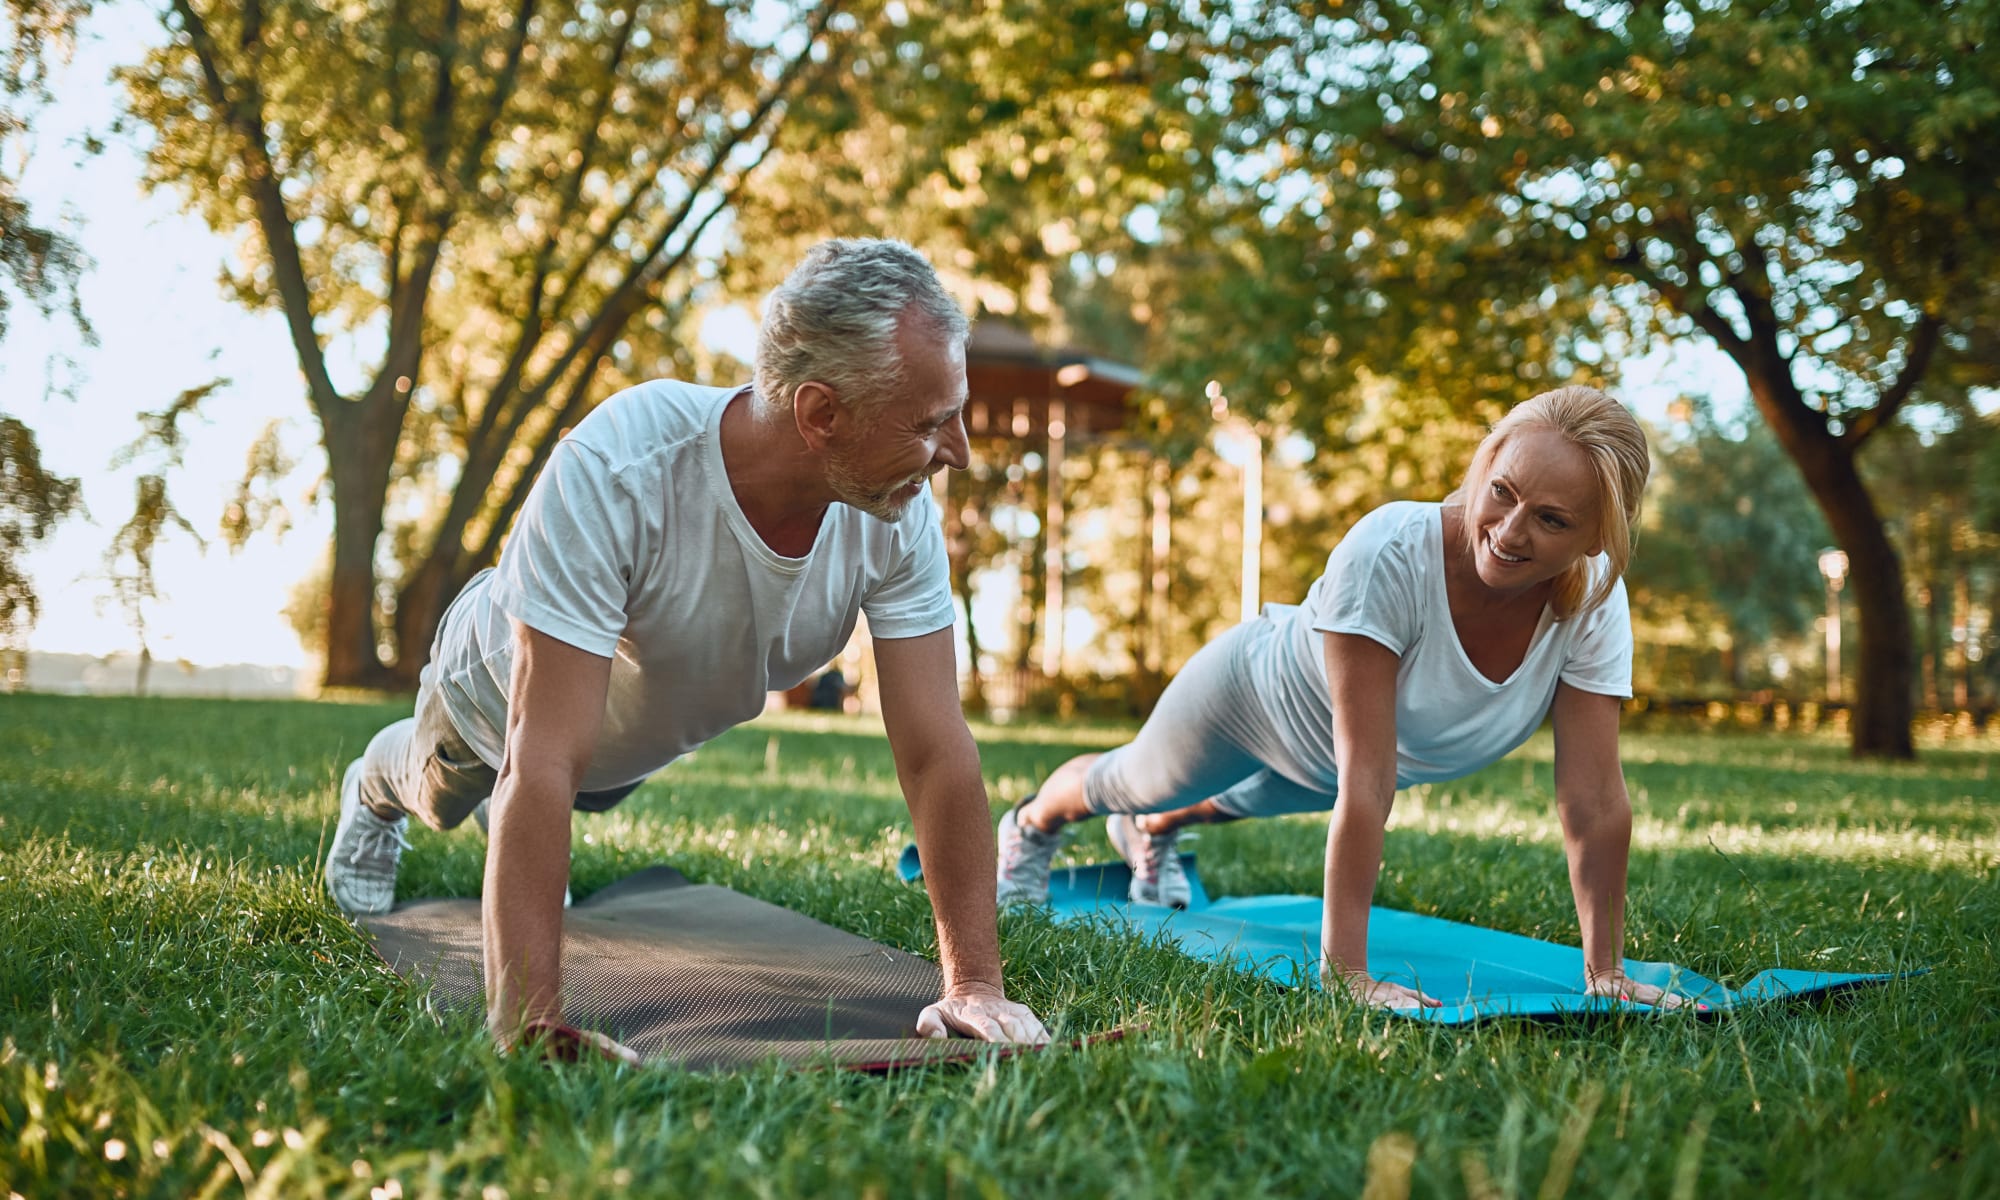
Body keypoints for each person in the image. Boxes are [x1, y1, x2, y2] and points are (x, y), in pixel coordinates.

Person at [325, 238, 1048, 1052]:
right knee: (448, 791)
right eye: (930, 423)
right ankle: (372, 787)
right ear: (820, 414)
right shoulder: (620, 468)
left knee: (578, 786)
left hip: (622, 741)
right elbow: (541, 757)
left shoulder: (893, 512)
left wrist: (976, 987)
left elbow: (936, 751)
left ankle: (513, 822)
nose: (957, 452)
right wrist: (528, 1021)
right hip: (494, 698)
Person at [995, 386, 1685, 1012]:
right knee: (1132, 782)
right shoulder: (1392, 549)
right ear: (1481, 467)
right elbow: (1367, 776)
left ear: (1598, 535)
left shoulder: (1592, 603)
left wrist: (1607, 973)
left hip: (1330, 768)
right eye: (1501, 491)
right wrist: (1346, 972)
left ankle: (1155, 835)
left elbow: (1592, 797)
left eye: (1552, 520)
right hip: (1253, 700)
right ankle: (1032, 828)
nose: (1508, 531)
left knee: (1201, 807)